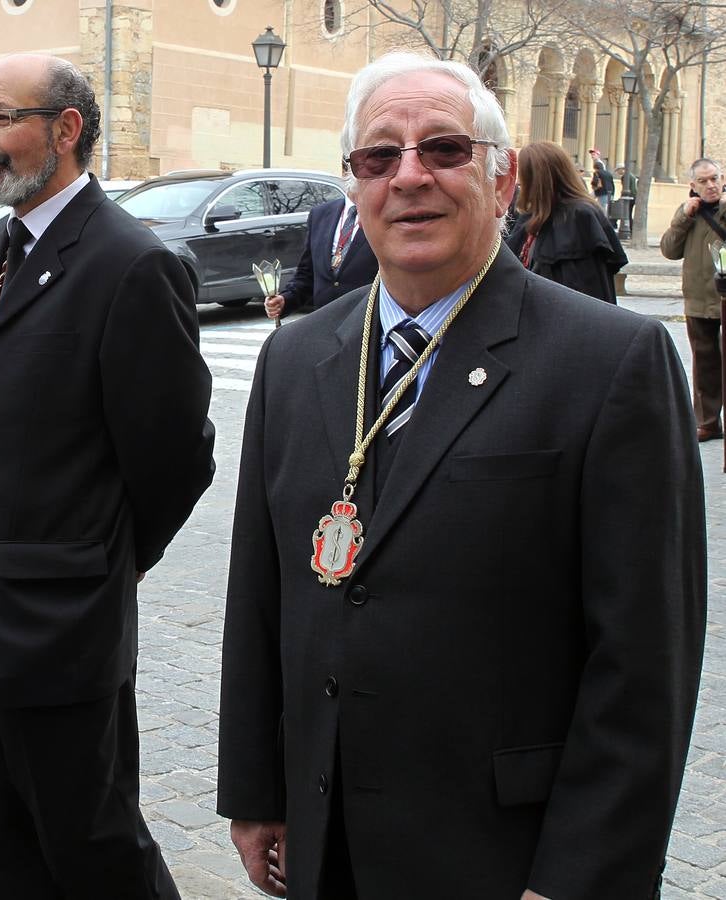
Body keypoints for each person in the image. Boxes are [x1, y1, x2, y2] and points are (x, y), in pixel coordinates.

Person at [219, 51, 705, 900]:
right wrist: (258, 788)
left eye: (443, 149)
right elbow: (261, 593)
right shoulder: (295, 358)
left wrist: (579, 877)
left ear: (503, 175)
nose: (409, 176)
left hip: (500, 852)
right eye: (379, 156)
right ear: (354, 184)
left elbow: (644, 663)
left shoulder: (612, 362)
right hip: (327, 840)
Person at [0, 54, 216, 899]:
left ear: (67, 128)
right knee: (6, 847)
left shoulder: (130, 263)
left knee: (94, 849)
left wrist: (106, 559)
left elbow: (175, 457)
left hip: (59, 624)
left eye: (1, 118)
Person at [507, 141, 627, 303]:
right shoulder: (532, 215)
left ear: (536, 178)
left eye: (523, 175)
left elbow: (586, 286)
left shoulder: (580, 216)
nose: (519, 182)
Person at [661, 158, 726, 442]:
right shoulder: (689, 213)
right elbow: (669, 250)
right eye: (704, 181)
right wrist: (683, 217)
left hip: (722, 298)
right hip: (699, 301)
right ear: (693, 185)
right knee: (704, 364)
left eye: (715, 178)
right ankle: (708, 422)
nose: (711, 185)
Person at [264, 186, 378, 319]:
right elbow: (307, 274)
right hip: (325, 321)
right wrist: (285, 300)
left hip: (365, 322)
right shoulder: (320, 214)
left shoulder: (380, 214)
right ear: (344, 170)